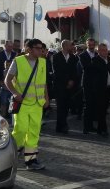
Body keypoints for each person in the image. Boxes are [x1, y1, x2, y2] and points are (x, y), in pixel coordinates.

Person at [5, 39, 50, 170]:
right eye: (37, 48)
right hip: (22, 103)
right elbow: (7, 80)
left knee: (34, 132)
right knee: (20, 130)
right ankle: (11, 153)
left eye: (42, 48)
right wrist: (14, 93)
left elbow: (44, 82)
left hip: (37, 103)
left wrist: (47, 97)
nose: (41, 51)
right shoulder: (18, 61)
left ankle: (31, 161)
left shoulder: (43, 62)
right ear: (28, 49)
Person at [52, 39, 79, 134]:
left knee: (66, 106)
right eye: (70, 45)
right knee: (60, 107)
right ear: (64, 46)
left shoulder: (73, 57)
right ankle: (62, 125)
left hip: (70, 87)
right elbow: (57, 71)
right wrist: (67, 81)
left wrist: (72, 81)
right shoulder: (56, 57)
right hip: (60, 86)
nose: (71, 47)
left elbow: (74, 71)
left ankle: (62, 125)